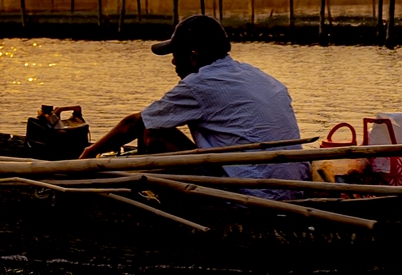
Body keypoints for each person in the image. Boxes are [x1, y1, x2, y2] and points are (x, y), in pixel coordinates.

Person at [80, 14, 309, 193]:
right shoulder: (257, 75)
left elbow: (135, 124)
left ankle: (152, 195)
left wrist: (87, 156)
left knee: (154, 132)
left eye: (176, 55)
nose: (172, 61)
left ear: (193, 57)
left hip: (249, 192)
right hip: (294, 186)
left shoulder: (201, 84)